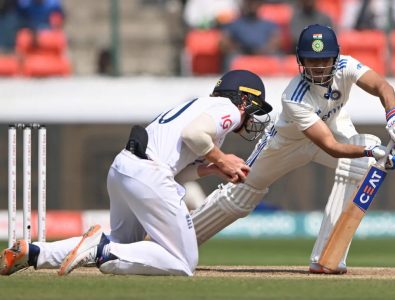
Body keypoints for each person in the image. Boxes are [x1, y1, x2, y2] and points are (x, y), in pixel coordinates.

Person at [190, 24, 395, 274]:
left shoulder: (347, 65)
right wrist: (373, 153)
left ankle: (328, 257)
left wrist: (393, 116)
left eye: (324, 60)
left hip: (333, 128)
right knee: (242, 192)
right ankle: (176, 237)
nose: (318, 67)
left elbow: (383, 87)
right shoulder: (293, 96)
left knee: (366, 157)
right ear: (301, 60)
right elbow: (331, 147)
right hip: (287, 143)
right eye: (311, 60)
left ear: (336, 57)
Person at [0, 69, 273, 276]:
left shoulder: (198, 106)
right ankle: (100, 249)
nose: (251, 118)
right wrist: (223, 160)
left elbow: (179, 168)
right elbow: (194, 134)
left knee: (124, 242)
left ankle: (33, 253)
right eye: (253, 109)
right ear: (244, 99)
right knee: (183, 261)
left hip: (125, 169)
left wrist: (210, 168)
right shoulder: (228, 109)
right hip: (148, 173)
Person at [220, 0, 281, 71]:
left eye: (255, 2)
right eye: (249, 2)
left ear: (260, 4)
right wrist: (241, 49)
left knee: (277, 57)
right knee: (230, 58)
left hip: (264, 54)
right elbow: (224, 42)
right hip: (241, 54)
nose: (253, 4)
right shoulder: (234, 24)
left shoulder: (269, 24)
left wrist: (260, 51)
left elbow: (276, 42)